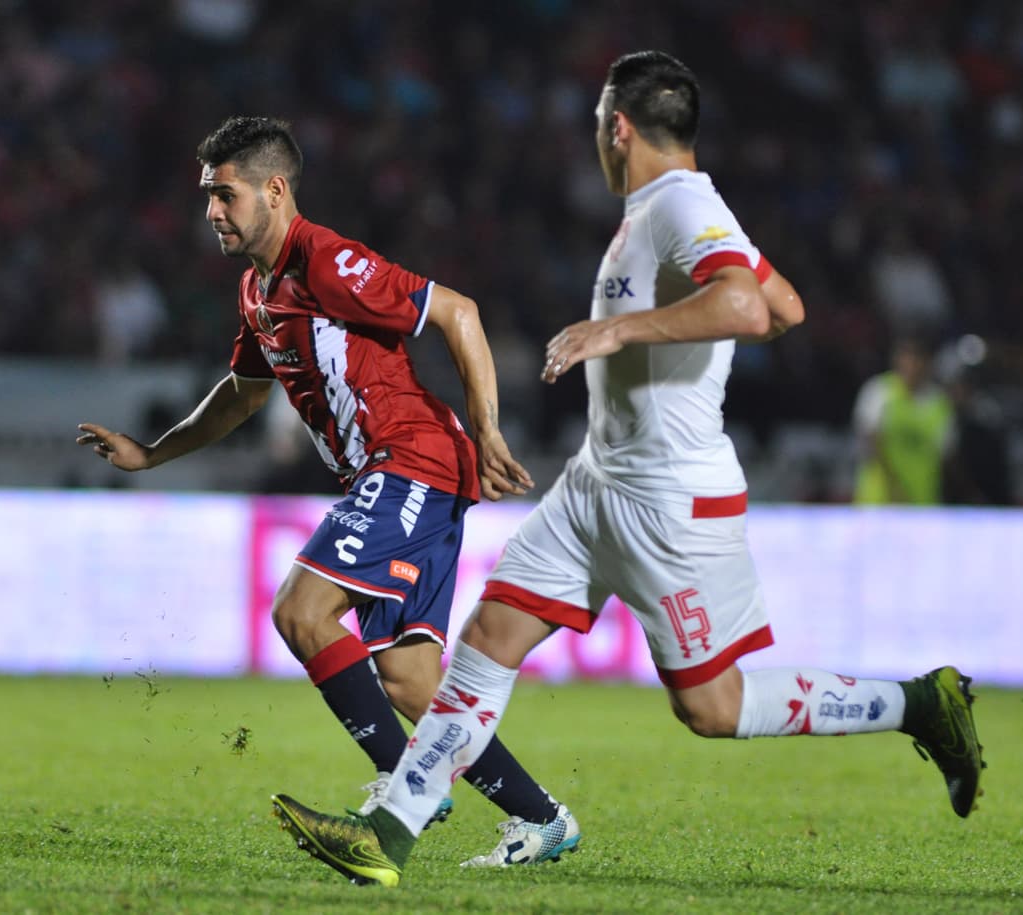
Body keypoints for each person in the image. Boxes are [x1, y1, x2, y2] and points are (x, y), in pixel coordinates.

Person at [271, 51, 985, 888]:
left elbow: (750, 307)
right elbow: (785, 303)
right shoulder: (661, 210)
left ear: (618, 127)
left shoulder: (681, 203)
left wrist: (617, 332)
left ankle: (919, 703)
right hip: (594, 487)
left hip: (668, 498)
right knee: (487, 641)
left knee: (711, 707)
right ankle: (388, 834)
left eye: (596, 130)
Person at [77, 116, 582, 867]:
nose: (211, 211)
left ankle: (402, 782)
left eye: (225, 195)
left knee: (300, 609)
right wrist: (153, 453)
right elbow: (243, 396)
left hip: (411, 460)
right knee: (412, 683)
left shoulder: (326, 260)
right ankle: (543, 819)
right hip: (404, 474)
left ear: (274, 191)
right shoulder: (259, 289)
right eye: (207, 196)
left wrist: (489, 430)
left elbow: (457, 311)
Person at [852, 334, 956, 504]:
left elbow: (946, 457)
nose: (912, 365)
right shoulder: (879, 391)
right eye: (907, 358)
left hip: (922, 502)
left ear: (928, 363)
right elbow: (870, 443)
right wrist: (893, 485)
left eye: (918, 359)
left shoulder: (939, 403)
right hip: (879, 501)